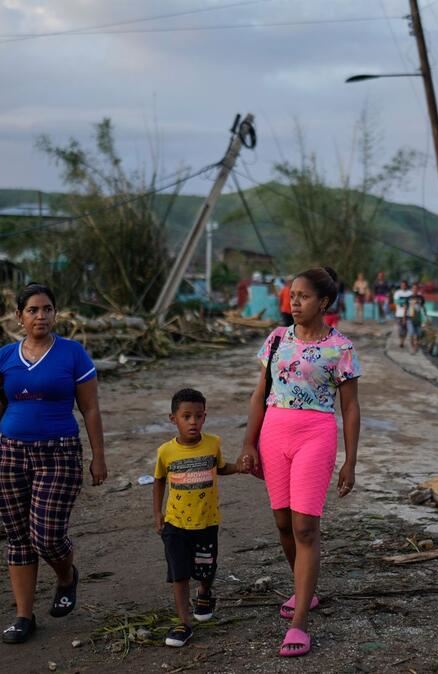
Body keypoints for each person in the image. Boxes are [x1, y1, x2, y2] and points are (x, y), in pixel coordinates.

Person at [0, 283, 107, 645]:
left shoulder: (73, 354)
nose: (41, 316)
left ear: (55, 313)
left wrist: (98, 457)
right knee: (18, 538)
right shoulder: (2, 357)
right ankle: (23, 616)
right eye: (32, 310)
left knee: (46, 537)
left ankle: (65, 577)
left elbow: (90, 408)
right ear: (19, 316)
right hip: (8, 455)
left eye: (47, 309)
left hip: (59, 453)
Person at [238, 266, 361, 658]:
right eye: (292, 295)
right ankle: (303, 588)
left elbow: (351, 408)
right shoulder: (275, 340)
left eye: (303, 296)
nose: (294, 302)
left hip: (315, 436)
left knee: (305, 527)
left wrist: (351, 461)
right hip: (274, 435)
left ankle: (300, 623)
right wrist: (249, 443)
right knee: (282, 523)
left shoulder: (341, 347)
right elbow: (260, 395)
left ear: (323, 302)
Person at [152, 388, 243, 648]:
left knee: (206, 568)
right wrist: (157, 513)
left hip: (206, 522)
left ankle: (204, 592)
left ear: (205, 417)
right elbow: (158, 481)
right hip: (176, 524)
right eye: (186, 416)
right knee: (179, 573)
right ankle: (183, 623)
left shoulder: (213, 443)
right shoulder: (165, 452)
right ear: (173, 419)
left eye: (199, 416)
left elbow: (221, 467)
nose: (193, 422)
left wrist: (241, 467)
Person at [406, 282, 427, 354]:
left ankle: (415, 347)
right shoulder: (408, 298)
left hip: (418, 319)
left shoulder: (421, 298)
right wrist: (403, 318)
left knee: (418, 334)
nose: (414, 290)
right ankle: (412, 347)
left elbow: (423, 308)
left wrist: (426, 317)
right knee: (411, 333)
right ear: (411, 289)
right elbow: (406, 308)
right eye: (413, 288)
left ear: (418, 289)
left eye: (416, 288)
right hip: (410, 318)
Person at [392, 280, 413, 349]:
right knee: (400, 329)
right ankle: (401, 341)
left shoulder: (410, 293)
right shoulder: (397, 293)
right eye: (402, 285)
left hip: (408, 314)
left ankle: (402, 341)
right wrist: (406, 302)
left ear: (406, 285)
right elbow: (396, 302)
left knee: (406, 329)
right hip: (399, 313)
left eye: (404, 285)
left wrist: (404, 302)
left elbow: (412, 302)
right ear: (401, 285)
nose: (403, 286)